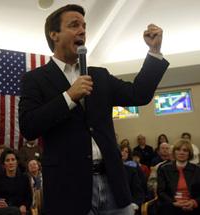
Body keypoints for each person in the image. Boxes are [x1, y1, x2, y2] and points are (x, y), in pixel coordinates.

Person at [18, 4, 169, 215]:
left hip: (114, 185)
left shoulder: (99, 76)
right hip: (68, 189)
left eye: (84, 26)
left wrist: (154, 51)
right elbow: (28, 126)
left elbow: (139, 94)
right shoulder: (35, 79)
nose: (82, 31)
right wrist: (69, 96)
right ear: (54, 34)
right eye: (74, 25)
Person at [157, 139, 200, 214]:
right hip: (171, 205)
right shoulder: (164, 169)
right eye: (178, 149)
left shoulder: (197, 170)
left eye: (185, 150)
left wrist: (193, 202)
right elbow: (161, 192)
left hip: (192, 205)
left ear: (189, 153)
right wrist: (173, 202)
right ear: (174, 152)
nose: (181, 152)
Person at [0, 148, 32, 215]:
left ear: (17, 162)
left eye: (13, 160)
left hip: (19, 210)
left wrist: (24, 206)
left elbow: (29, 198)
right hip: (0, 211)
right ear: (4, 164)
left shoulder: (24, 178)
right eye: (7, 160)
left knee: (16, 211)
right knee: (13, 211)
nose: (10, 162)